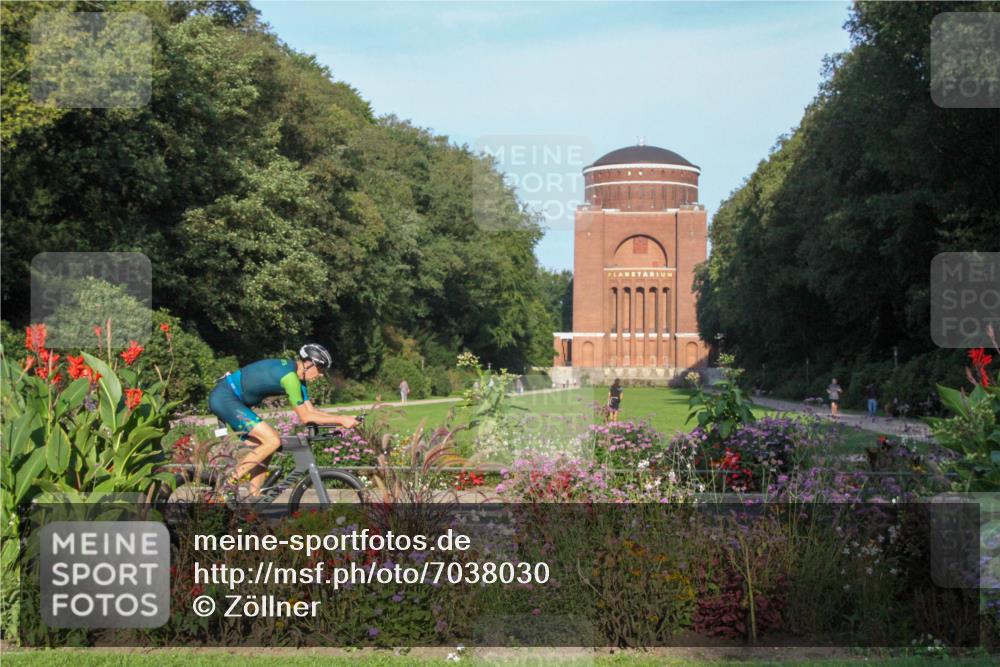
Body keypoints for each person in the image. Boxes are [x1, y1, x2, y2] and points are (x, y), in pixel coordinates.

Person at [209, 344, 358, 498]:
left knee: (265, 448)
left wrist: (344, 419)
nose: (321, 375)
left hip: (234, 401)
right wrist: (341, 419)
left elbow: (311, 411)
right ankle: (227, 486)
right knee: (273, 440)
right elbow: (305, 417)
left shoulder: (298, 379)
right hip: (225, 398)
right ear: (308, 363)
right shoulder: (290, 378)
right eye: (320, 368)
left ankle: (254, 501)